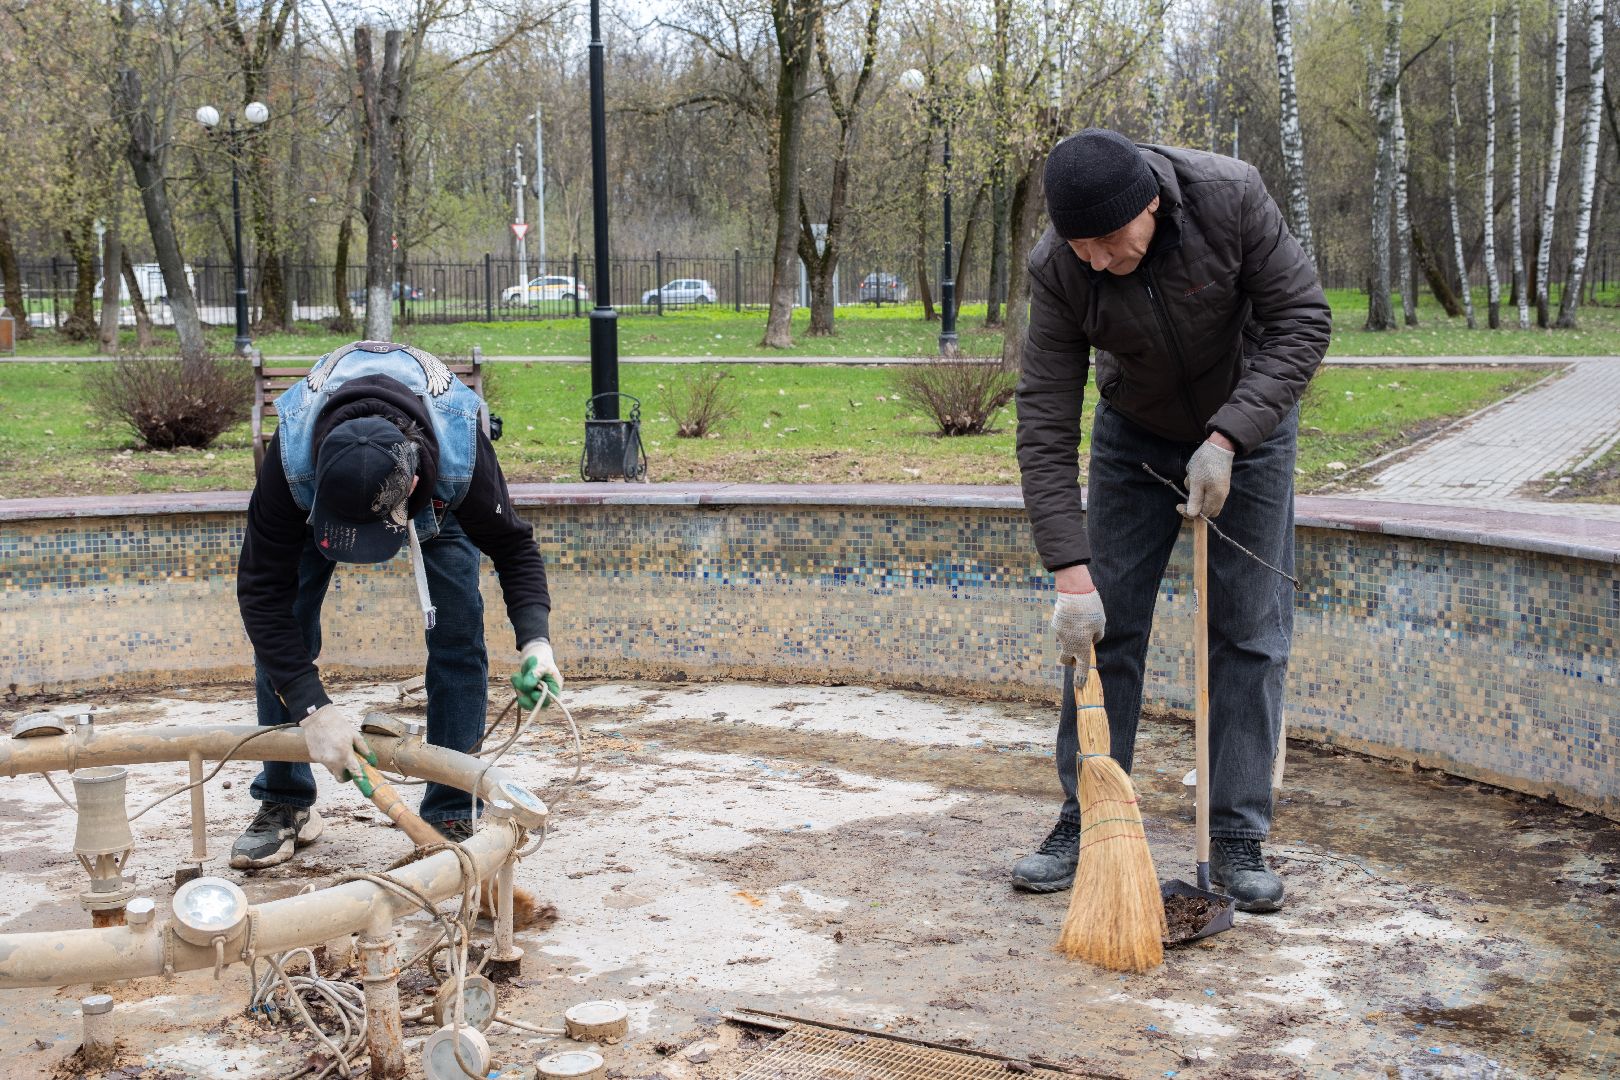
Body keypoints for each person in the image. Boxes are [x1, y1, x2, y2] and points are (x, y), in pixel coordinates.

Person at [1010, 129, 1330, 911]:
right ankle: (1087, 818)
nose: (1094, 260)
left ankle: (1237, 834)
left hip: (1246, 428)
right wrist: (1070, 573)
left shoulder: (1231, 197)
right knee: (1104, 632)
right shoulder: (1061, 265)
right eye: (1079, 245)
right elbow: (1045, 419)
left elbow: (1303, 320)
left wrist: (1229, 437)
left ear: (1150, 206)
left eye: (1109, 243)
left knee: (1249, 631)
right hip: (1134, 436)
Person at [231, 340, 564, 869]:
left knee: (459, 631)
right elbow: (260, 593)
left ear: (410, 482)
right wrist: (312, 707)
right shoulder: (291, 463)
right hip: (325, 495)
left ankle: (450, 807)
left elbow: (514, 548)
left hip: (436, 500)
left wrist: (537, 643)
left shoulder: (461, 457)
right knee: (285, 630)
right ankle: (285, 801)